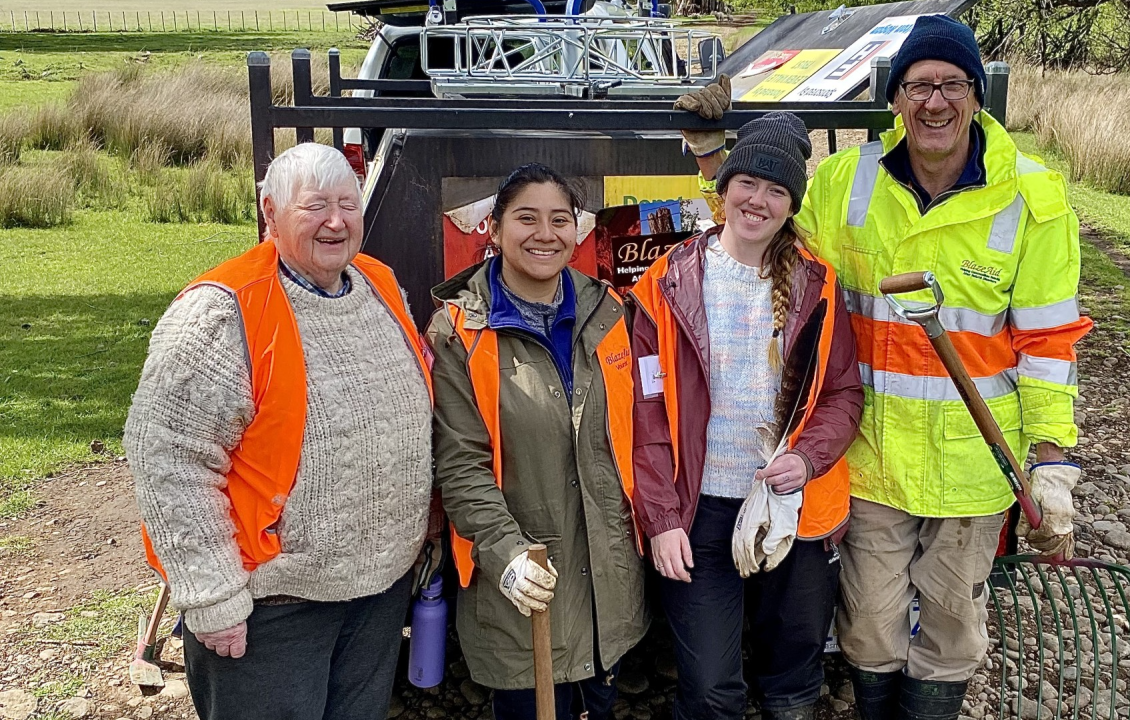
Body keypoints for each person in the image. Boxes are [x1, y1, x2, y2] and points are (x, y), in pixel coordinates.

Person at [675, 16, 1093, 720]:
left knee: (953, 624)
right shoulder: (848, 181)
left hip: (972, 465)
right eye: (918, 85)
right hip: (871, 457)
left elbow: (1049, 342)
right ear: (896, 99)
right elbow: (768, 223)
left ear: (978, 95)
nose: (935, 102)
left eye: (953, 84)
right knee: (868, 628)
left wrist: (1051, 463)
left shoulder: (1032, 201)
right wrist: (714, 158)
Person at [125, 142, 435, 720]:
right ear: (270, 213)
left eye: (348, 203)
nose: (336, 221)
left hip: (375, 594)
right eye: (315, 206)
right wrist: (212, 594)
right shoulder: (223, 313)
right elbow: (167, 458)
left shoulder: (378, 284)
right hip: (271, 608)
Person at [629, 112, 864, 720]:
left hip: (792, 508)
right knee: (710, 690)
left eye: (777, 190)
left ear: (791, 205)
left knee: (793, 679)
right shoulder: (668, 283)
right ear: (725, 187)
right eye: (748, 183)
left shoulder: (819, 287)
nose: (758, 201)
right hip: (698, 511)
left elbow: (843, 395)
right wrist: (661, 520)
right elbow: (646, 412)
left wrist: (806, 458)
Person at [428, 163, 648, 720]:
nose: (545, 234)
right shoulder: (461, 333)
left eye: (560, 219)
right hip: (526, 585)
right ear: (495, 231)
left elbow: (639, 436)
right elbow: (461, 467)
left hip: (606, 588)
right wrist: (507, 556)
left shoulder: (610, 314)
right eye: (526, 218)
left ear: (578, 233)